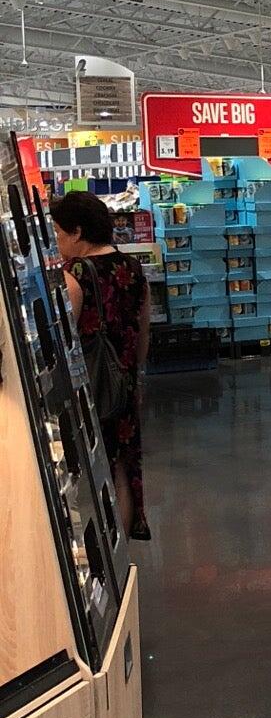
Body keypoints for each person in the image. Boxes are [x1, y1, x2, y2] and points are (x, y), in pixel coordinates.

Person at [51, 190, 151, 539]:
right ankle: (119, 548)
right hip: (123, 381)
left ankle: (94, 549)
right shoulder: (133, 268)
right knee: (122, 465)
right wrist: (134, 376)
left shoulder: (75, 274)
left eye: (59, 233)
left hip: (89, 386)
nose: (57, 241)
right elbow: (143, 331)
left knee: (90, 464)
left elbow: (63, 341)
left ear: (77, 232)